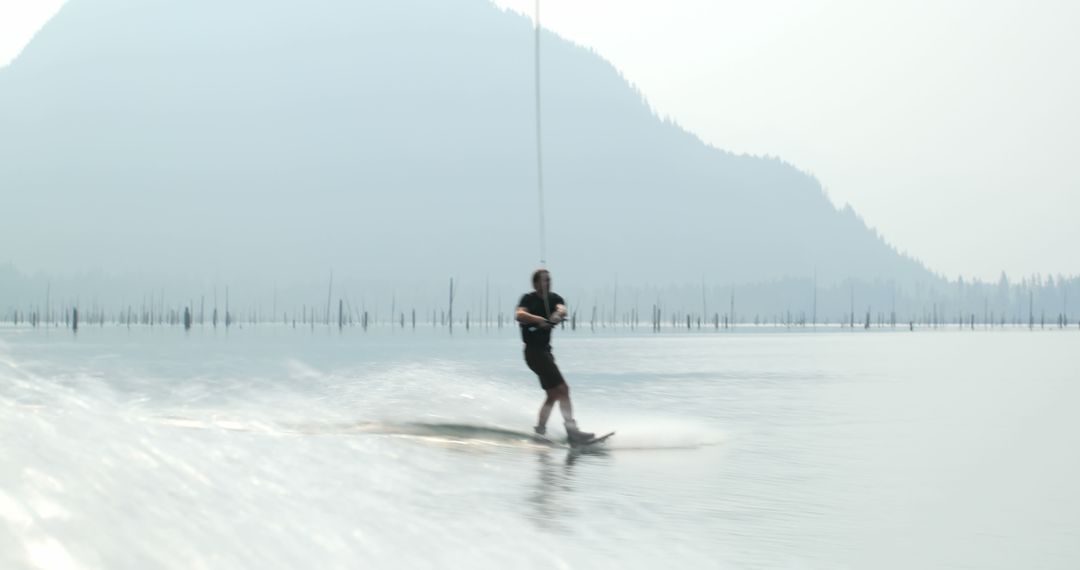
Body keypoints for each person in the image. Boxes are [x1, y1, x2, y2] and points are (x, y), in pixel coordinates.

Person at [516, 268, 594, 443]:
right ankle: (572, 432)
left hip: (545, 353)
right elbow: (519, 314)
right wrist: (539, 320)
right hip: (533, 353)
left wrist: (557, 315)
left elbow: (562, 309)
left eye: (549, 280)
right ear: (536, 283)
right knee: (564, 390)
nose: (548, 283)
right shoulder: (528, 299)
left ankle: (540, 432)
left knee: (553, 394)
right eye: (544, 280)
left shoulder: (554, 299)